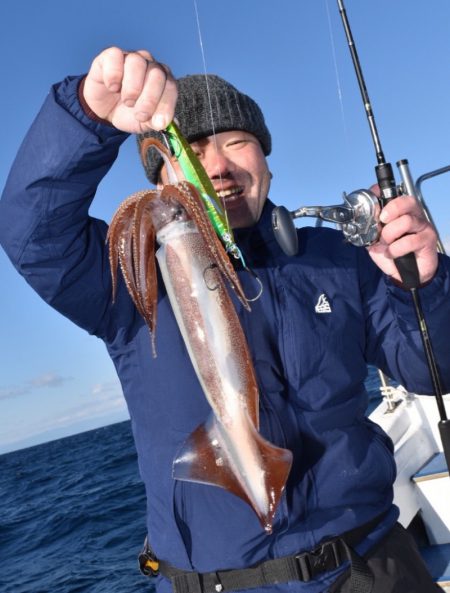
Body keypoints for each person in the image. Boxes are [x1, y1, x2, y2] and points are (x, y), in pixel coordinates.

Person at [0, 47, 448, 593]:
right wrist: (84, 117)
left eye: (237, 142)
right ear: (165, 173)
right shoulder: (129, 274)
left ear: (267, 160)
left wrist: (425, 287)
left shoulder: (340, 259)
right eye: (192, 150)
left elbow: (433, 369)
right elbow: (32, 234)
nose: (217, 166)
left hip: (371, 564)